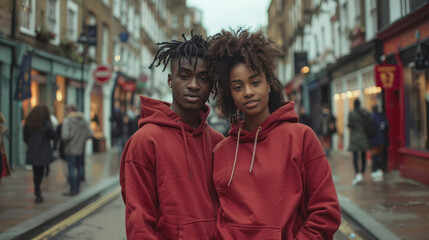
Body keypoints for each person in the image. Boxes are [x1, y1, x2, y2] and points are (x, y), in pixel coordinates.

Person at [207, 29, 341, 239]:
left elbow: (325, 211)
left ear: (269, 84)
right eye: (238, 86)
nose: (248, 91)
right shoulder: (221, 151)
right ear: (230, 94)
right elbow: (215, 215)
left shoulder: (301, 138)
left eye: (255, 82)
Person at [119, 31, 225, 239]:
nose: (193, 84)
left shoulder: (219, 143)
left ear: (211, 86)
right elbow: (139, 220)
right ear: (170, 80)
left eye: (203, 78)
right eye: (184, 76)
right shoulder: (145, 141)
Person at [23, 105, 56, 203]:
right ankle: (38, 191)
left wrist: (31, 144)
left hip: (33, 151)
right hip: (43, 151)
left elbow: (25, 138)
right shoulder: (46, 124)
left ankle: (37, 190)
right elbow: (54, 136)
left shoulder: (28, 124)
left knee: (35, 171)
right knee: (40, 171)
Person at [61, 105, 92, 196]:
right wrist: (81, 140)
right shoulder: (84, 121)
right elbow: (90, 133)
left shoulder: (68, 121)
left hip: (70, 149)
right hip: (80, 149)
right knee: (79, 168)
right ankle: (77, 187)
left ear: (70, 111)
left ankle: (73, 189)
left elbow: (65, 136)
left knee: (71, 169)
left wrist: (71, 137)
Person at [347, 99, 370, 185]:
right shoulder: (366, 113)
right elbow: (369, 124)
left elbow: (349, 125)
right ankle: (363, 173)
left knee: (355, 156)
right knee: (364, 156)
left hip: (355, 137)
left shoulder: (351, 114)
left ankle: (357, 174)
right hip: (364, 136)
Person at [369, 105, 389, 182]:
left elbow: (369, 128)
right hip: (382, 139)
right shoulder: (381, 116)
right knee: (380, 155)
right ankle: (380, 169)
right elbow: (387, 125)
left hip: (374, 139)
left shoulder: (372, 116)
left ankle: (375, 170)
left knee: (374, 155)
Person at [0, 113, 11, 184]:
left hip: (0, 152)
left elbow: (9, 138)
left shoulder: (2, 129)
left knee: (1, 170)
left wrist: (6, 132)